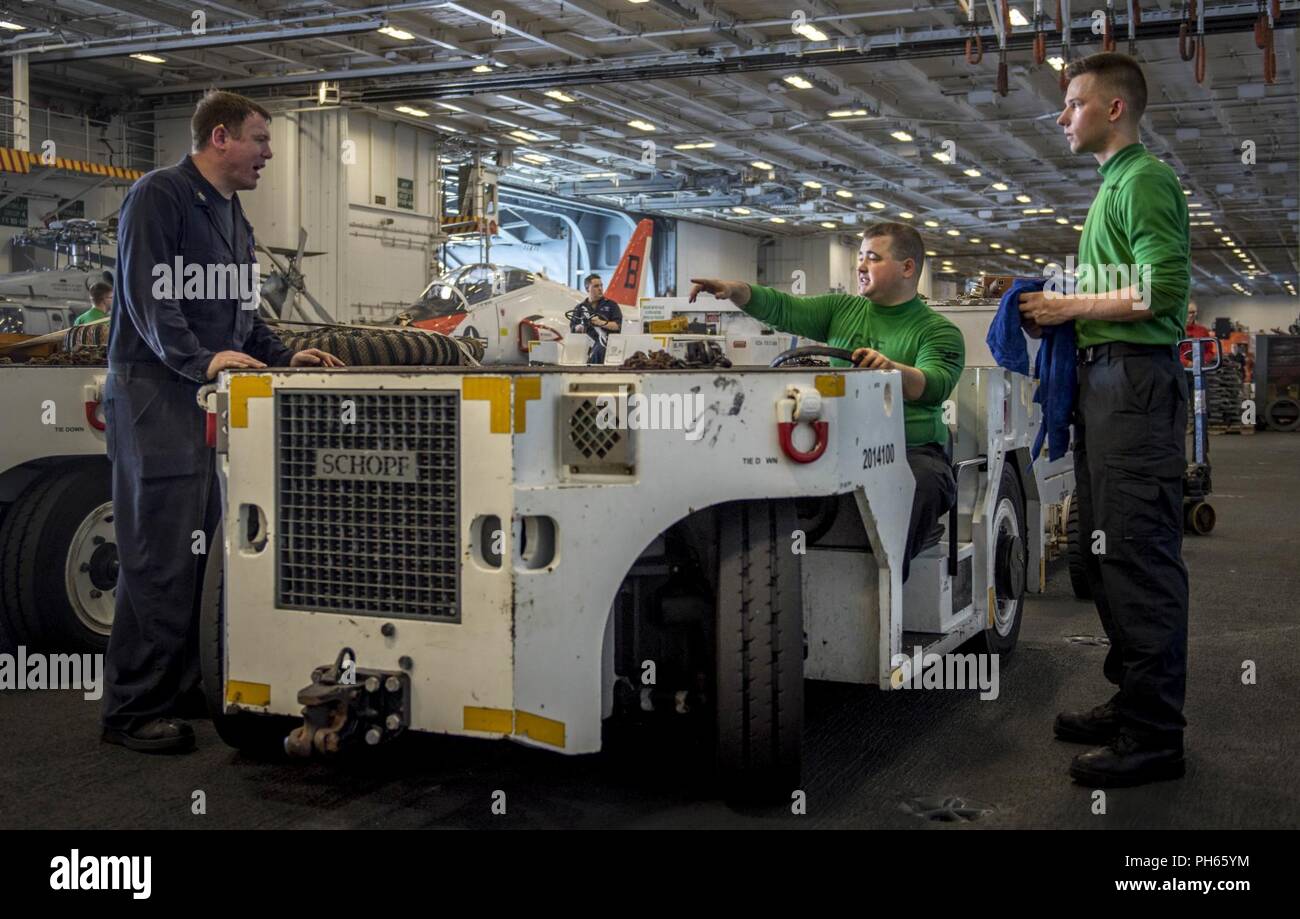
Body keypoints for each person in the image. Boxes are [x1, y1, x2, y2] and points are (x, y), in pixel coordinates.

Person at [101, 90, 343, 754]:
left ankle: (176, 687)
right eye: (260, 139)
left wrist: (287, 356)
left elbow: (244, 317)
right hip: (158, 395)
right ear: (219, 138)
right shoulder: (158, 196)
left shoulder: (233, 218)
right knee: (158, 553)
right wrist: (201, 359)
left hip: (205, 397)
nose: (268, 153)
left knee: (200, 553)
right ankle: (129, 709)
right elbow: (149, 296)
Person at [1019, 52, 1191, 787]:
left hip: (1135, 384)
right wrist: (1055, 293)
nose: (1063, 116)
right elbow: (1122, 285)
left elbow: (1161, 291)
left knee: (1139, 555)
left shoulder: (1145, 180)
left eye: (1074, 102)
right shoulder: (1111, 188)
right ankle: (1132, 702)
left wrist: (1068, 306)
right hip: (1106, 383)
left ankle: (1156, 736)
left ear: (1113, 109)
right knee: (1105, 554)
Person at [689, 222, 965, 582]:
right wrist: (736, 290)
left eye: (873, 258)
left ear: (907, 268)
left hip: (910, 450)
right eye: (860, 258)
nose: (861, 267)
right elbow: (784, 308)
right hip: (838, 445)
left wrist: (892, 370)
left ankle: (887, 583)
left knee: (923, 484)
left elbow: (934, 384)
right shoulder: (841, 310)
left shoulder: (937, 331)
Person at [570, 273, 622, 364]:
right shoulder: (580, 308)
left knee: (599, 350)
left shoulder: (611, 305)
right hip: (585, 343)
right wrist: (579, 327)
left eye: (601, 285)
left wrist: (600, 322)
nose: (600, 289)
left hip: (606, 343)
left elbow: (617, 326)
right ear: (587, 289)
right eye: (596, 286)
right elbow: (573, 328)